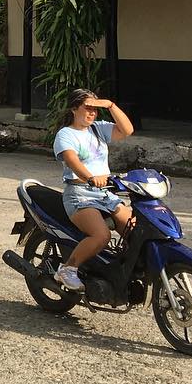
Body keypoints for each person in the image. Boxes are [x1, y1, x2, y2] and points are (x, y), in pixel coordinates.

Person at [51, 88, 136, 291]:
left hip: (105, 193)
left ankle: (121, 269)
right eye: (87, 108)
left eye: (95, 109)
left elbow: (127, 130)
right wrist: (90, 178)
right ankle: (68, 269)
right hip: (79, 194)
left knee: (134, 228)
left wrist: (111, 105)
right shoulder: (66, 134)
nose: (92, 113)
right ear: (74, 109)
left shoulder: (98, 128)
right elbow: (72, 161)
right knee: (101, 236)